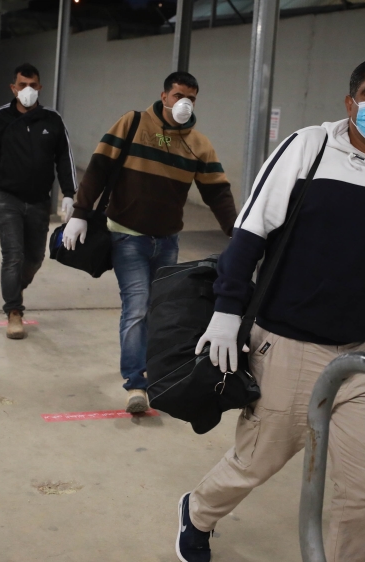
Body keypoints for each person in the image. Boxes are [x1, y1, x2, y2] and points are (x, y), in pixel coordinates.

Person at [175, 56, 365, 562]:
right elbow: (250, 232)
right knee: (257, 460)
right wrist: (227, 311)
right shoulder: (308, 149)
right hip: (289, 343)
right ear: (350, 101)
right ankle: (198, 512)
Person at [62, 71, 237, 413]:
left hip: (167, 241)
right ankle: (136, 384)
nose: (184, 103)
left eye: (191, 98)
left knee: (162, 312)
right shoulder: (133, 124)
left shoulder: (198, 144)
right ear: (164, 95)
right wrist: (80, 212)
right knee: (137, 307)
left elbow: (217, 192)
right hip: (127, 237)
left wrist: (239, 233)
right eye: (178, 95)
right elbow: (98, 167)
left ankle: (155, 372)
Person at [0, 63, 77, 340]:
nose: (27, 90)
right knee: (13, 255)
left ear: (40, 87)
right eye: (22, 85)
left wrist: (69, 193)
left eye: (32, 85)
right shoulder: (0, 118)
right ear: (13, 88)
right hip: (7, 197)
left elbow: (65, 158)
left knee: (34, 259)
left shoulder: (52, 120)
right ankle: (14, 312)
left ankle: (14, 289)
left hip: (40, 201)